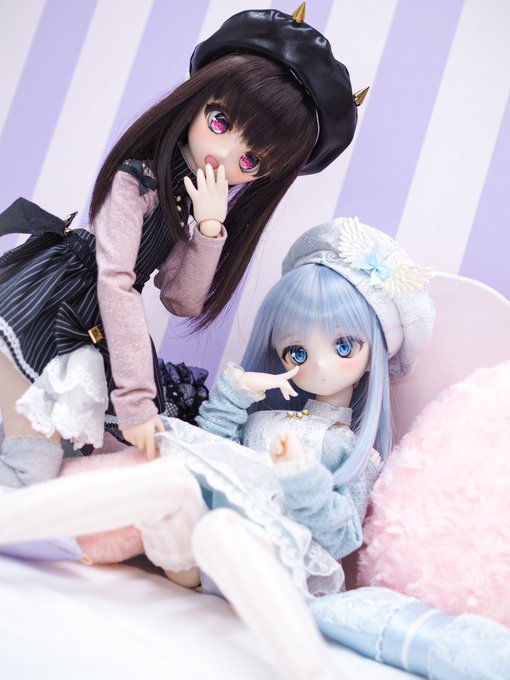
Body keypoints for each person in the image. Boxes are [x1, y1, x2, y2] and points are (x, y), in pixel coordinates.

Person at [0, 216, 435, 679]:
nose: (320, 366)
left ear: (373, 357)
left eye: (344, 346)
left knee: (222, 529)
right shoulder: (262, 420)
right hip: (194, 554)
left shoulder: (351, 450)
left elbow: (341, 536)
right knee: (170, 478)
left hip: (272, 563)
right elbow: (211, 452)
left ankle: (312, 670)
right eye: (297, 352)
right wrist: (234, 395)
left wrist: (302, 478)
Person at [0, 6, 366, 487]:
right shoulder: (137, 179)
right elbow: (115, 280)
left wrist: (209, 229)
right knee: (31, 453)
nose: (224, 155)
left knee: (45, 453)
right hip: (48, 303)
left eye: (251, 161)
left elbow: (180, 299)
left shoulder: (190, 198)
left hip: (91, 317)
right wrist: (136, 399)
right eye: (220, 121)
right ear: (197, 101)